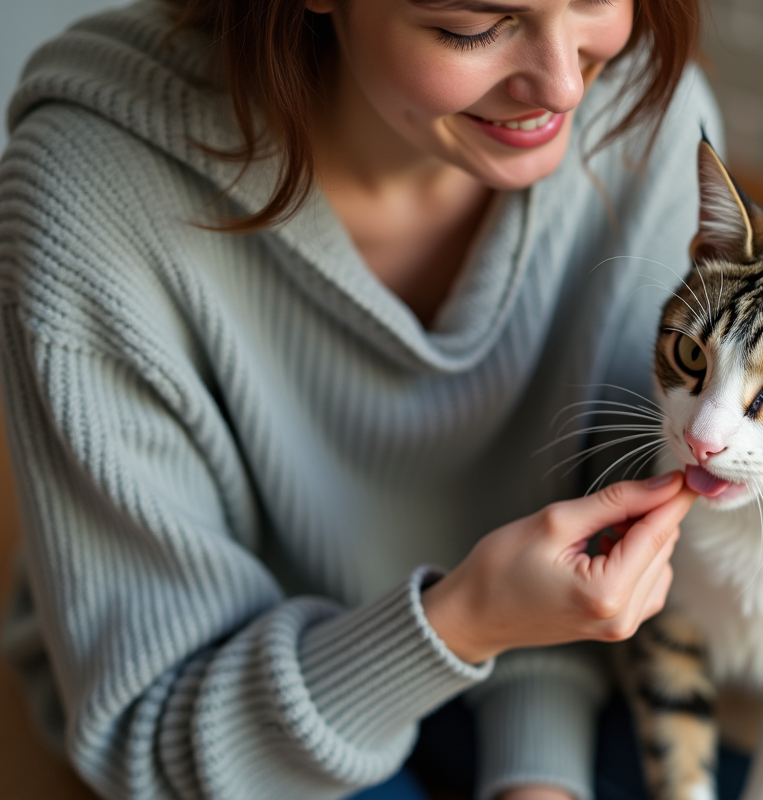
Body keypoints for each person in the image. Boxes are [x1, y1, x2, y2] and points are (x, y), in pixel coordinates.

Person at [0, 0, 713, 798]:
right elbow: (160, 738)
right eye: (474, 24)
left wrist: (537, 771)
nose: (563, 85)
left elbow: (606, 525)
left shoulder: (644, 111)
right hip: (241, 715)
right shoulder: (88, 200)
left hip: (559, 661)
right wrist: (465, 620)